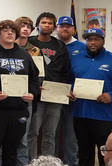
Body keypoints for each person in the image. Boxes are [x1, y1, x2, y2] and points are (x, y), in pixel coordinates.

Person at [0, 20, 39, 166]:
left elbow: (34, 79)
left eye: (12, 30)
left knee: (12, 151)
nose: (10, 33)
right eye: (6, 30)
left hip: (18, 110)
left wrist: (32, 94)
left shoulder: (25, 55)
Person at [69, 28, 112, 166]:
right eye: (89, 39)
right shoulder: (76, 59)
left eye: (96, 39)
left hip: (104, 115)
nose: (92, 42)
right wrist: (71, 91)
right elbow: (70, 80)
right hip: (80, 113)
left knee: (106, 153)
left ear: (103, 41)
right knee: (84, 152)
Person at [26, 13, 72, 162]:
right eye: (43, 22)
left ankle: (48, 162)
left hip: (55, 94)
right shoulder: (29, 43)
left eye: (50, 23)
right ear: (38, 25)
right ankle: (32, 161)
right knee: (32, 132)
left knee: (50, 133)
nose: (46, 25)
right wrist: (33, 87)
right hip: (36, 95)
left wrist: (64, 89)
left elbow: (65, 71)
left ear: (54, 27)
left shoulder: (60, 46)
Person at [55, 15, 85, 166]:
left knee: (70, 137)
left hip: (73, 98)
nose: (64, 29)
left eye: (68, 26)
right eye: (61, 26)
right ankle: (51, 162)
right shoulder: (51, 44)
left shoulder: (82, 47)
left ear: (73, 29)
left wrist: (74, 90)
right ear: (57, 28)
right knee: (50, 134)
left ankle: (71, 163)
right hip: (52, 96)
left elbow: (85, 71)